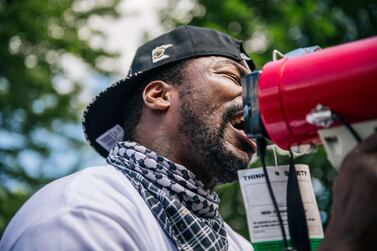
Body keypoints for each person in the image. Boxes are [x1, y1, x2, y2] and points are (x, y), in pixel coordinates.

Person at [1, 25, 376, 251]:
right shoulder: (84, 212)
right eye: (232, 77)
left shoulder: (235, 244)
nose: (254, 98)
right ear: (159, 95)